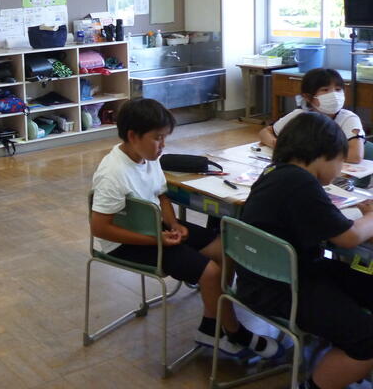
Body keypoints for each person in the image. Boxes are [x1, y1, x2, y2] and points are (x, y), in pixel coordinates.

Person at [90, 98, 281, 358]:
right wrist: (157, 240)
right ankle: (234, 331)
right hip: (123, 243)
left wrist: (174, 224)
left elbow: (161, 195)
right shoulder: (113, 173)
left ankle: (210, 326)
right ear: (133, 136)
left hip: (151, 229)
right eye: (158, 138)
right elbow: (100, 228)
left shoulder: (148, 156)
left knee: (225, 250)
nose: (163, 145)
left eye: (165, 138)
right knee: (211, 273)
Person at [239, 111, 373, 389]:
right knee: (366, 339)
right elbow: (349, 238)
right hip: (283, 288)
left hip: (268, 277)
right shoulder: (301, 183)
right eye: (339, 161)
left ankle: (344, 356)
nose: (340, 169)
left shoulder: (276, 172)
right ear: (322, 155)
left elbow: (315, 217)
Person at [260, 68, 363, 163]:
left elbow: (355, 156)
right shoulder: (300, 115)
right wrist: (277, 144)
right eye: (325, 90)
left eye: (338, 89)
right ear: (308, 97)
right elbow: (265, 132)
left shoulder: (348, 118)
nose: (334, 95)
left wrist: (303, 152)